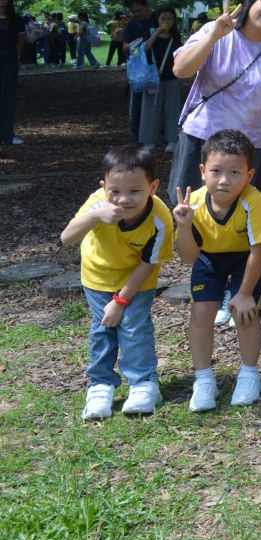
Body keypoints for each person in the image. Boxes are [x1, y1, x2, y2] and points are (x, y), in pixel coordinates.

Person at [61, 145, 173, 419]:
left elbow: (148, 263)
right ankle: (100, 384)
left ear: (153, 187)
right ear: (103, 187)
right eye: (115, 191)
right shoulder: (97, 203)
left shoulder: (161, 219)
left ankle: (143, 383)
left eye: (135, 191)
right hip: (98, 277)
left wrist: (121, 301)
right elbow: (67, 238)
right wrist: (95, 216)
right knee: (102, 330)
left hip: (137, 281)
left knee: (134, 328)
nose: (123, 199)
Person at [170, 0, 261, 205]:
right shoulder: (216, 31)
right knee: (190, 209)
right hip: (203, 138)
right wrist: (214, 36)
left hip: (251, 148)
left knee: (242, 215)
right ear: (253, 0)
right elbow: (181, 70)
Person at [172, 130, 261, 412]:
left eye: (234, 172)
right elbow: (189, 257)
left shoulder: (253, 200)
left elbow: (259, 251)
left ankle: (249, 374)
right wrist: (184, 227)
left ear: (249, 175)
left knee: (244, 312)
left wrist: (244, 294)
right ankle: (204, 379)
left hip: (245, 258)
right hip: (208, 258)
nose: (224, 180)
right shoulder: (193, 203)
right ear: (203, 171)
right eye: (216, 171)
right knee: (201, 313)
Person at [138, 7, 183, 152]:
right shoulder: (150, 32)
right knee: (150, 110)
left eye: (170, 19)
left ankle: (172, 140)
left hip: (172, 77)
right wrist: (156, 33)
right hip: (152, 79)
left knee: (172, 110)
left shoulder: (175, 36)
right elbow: (144, 48)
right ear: (157, 19)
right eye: (163, 18)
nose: (166, 22)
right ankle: (148, 141)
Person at [123, 0, 159, 140]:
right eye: (133, 12)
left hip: (160, 68)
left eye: (139, 10)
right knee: (139, 102)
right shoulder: (132, 25)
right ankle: (137, 134)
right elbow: (125, 48)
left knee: (162, 102)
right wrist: (133, 45)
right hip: (141, 72)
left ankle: (165, 134)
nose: (137, 14)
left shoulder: (159, 20)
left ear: (147, 6)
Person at [0, 0, 23, 145]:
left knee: (8, 97)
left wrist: (16, 56)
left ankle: (7, 135)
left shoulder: (16, 19)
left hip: (9, 58)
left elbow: (21, 41)